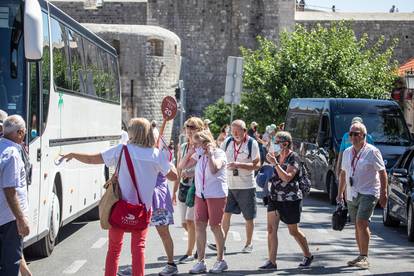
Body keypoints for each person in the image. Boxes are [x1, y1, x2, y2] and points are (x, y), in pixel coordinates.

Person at [61, 118, 178, 276]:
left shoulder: (122, 150)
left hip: (120, 208)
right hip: (143, 210)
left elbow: (92, 159)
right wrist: (167, 161)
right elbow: (173, 176)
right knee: (138, 250)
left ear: (133, 133)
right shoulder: (156, 154)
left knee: (114, 250)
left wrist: (74, 154)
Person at [336, 122, 387, 269]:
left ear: (364, 136)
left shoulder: (372, 151)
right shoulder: (347, 152)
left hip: (369, 192)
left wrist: (384, 193)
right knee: (357, 226)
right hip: (352, 193)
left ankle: (364, 257)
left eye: (356, 134)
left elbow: (382, 173)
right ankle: (360, 255)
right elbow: (344, 174)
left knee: (361, 222)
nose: (353, 137)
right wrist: (340, 193)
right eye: (351, 134)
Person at [260, 131, 313, 270]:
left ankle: (308, 255)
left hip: (291, 199)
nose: (275, 145)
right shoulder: (275, 156)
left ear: (286, 143)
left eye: (277, 142)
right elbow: (269, 173)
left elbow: (287, 177)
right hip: (274, 197)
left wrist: (275, 164)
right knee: (271, 229)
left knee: (293, 231)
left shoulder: (293, 157)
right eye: (274, 142)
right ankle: (272, 261)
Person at [179, 130, 228, 274]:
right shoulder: (198, 154)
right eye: (194, 144)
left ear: (206, 143)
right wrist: (190, 152)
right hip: (201, 195)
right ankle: (201, 261)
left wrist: (210, 153)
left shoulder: (219, 153)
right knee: (199, 226)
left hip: (216, 195)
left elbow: (214, 169)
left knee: (215, 226)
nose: (195, 146)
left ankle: (221, 260)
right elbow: (182, 165)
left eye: (197, 143)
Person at [211, 119, 260, 254]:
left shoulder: (252, 143)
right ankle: (221, 243)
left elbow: (257, 165)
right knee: (225, 215)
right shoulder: (227, 142)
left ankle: (249, 243)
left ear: (244, 131)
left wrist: (238, 165)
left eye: (238, 131)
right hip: (228, 185)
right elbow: (219, 158)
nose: (235, 134)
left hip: (246, 186)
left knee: (249, 217)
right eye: (233, 132)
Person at [0, 115, 30, 276]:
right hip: (9, 220)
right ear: (19, 132)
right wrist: (21, 219)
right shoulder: (12, 153)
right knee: (10, 265)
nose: (24, 135)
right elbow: (10, 189)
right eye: (24, 132)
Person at [173, 117, 205, 263]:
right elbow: (179, 170)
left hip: (196, 187)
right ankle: (200, 241)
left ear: (199, 129)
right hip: (183, 186)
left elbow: (204, 168)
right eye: (187, 127)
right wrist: (174, 191)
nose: (189, 130)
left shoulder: (203, 147)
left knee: (190, 221)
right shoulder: (184, 146)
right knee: (185, 223)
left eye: (192, 127)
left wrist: (191, 173)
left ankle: (190, 252)